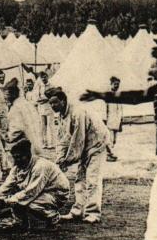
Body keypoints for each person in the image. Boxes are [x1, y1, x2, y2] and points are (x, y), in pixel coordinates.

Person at [81, 46, 157, 240]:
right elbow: (134, 97)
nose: (150, 67)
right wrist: (101, 95)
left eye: (154, 63)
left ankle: (153, 239)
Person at [46, 86, 111, 224]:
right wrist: (60, 159)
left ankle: (93, 213)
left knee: (92, 178)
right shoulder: (62, 115)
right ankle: (78, 211)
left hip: (97, 143)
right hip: (85, 146)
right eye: (50, 103)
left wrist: (67, 160)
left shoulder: (77, 112)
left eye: (55, 102)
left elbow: (77, 139)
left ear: (63, 101)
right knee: (80, 179)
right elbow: (63, 139)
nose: (52, 106)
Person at [0, 139, 70, 231]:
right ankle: (20, 222)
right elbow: (5, 187)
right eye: (14, 157)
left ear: (28, 156)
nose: (16, 160)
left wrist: (6, 201)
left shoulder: (40, 166)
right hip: (39, 190)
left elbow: (31, 192)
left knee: (27, 203)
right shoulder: (17, 168)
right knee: (14, 195)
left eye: (19, 157)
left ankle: (53, 217)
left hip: (56, 193)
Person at [3, 78, 44, 155]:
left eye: (7, 95)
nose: (5, 97)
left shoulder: (15, 108)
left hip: (25, 144)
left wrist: (8, 137)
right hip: (35, 141)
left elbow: (17, 129)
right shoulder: (26, 103)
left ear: (13, 94)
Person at [31, 71, 55, 148]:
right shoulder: (39, 86)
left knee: (50, 125)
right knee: (42, 126)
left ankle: (51, 143)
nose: (43, 79)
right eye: (42, 77)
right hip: (41, 108)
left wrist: (47, 100)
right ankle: (44, 143)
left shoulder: (51, 85)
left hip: (49, 107)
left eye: (45, 77)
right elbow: (36, 97)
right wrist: (40, 100)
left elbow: (53, 96)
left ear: (47, 77)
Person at [105, 76, 124, 161]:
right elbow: (104, 110)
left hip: (117, 121)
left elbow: (120, 109)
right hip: (109, 122)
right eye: (115, 84)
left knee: (114, 141)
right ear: (111, 84)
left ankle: (109, 154)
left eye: (118, 84)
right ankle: (109, 155)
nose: (117, 86)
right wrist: (105, 121)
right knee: (109, 139)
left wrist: (121, 121)